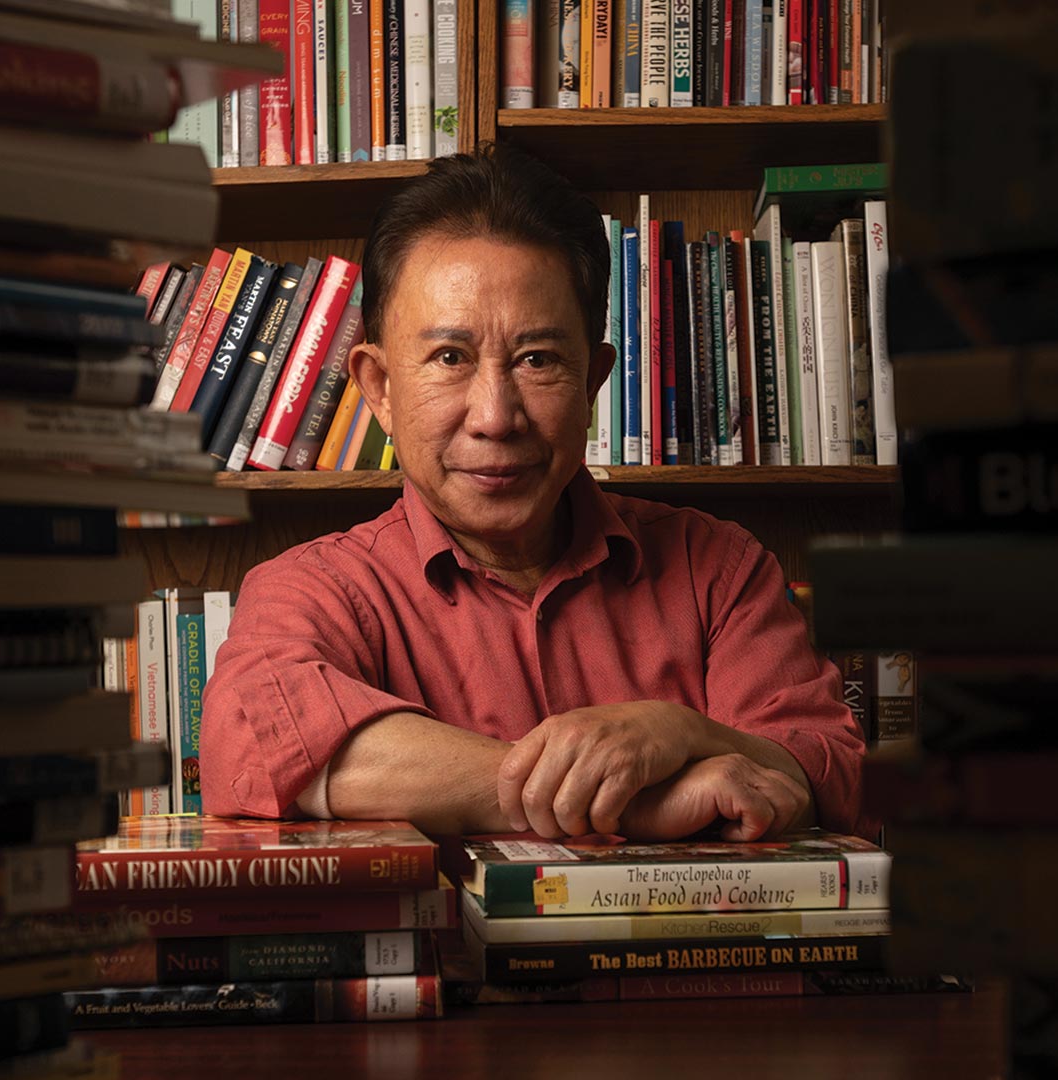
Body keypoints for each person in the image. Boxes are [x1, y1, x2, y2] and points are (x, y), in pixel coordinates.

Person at [200, 146, 868, 842]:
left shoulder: (719, 570)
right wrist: (624, 802)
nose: (495, 416)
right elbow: (254, 737)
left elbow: (830, 774)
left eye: (538, 360)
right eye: (450, 358)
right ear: (379, 389)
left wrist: (680, 733)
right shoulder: (312, 588)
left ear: (594, 383)